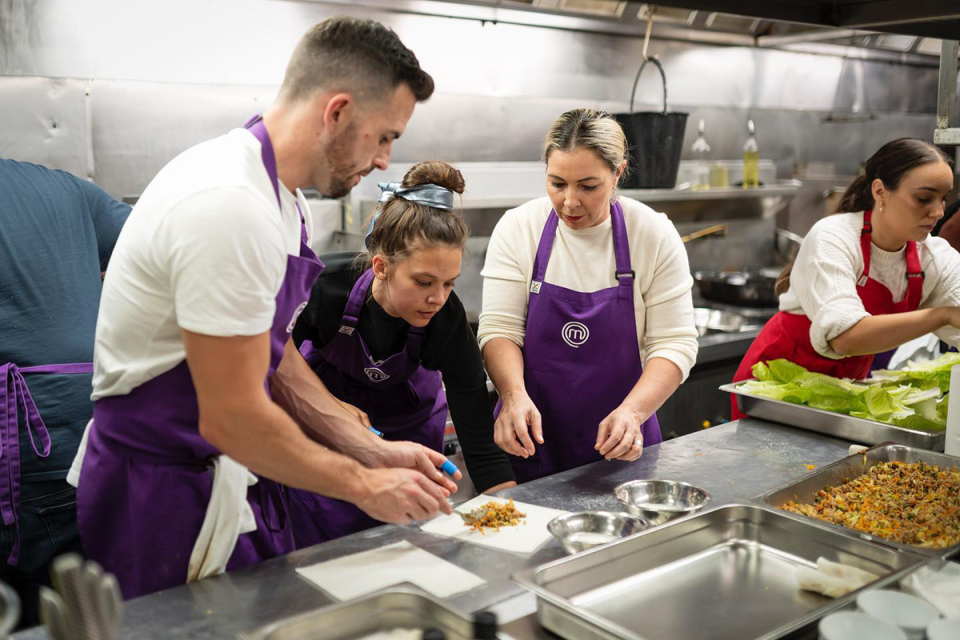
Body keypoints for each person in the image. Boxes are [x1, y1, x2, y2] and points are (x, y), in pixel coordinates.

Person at [70, 17, 461, 600]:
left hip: (222, 472)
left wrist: (371, 448)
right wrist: (362, 485)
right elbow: (232, 416)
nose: (384, 162)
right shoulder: (228, 205)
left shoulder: (281, 201)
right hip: (159, 492)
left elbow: (273, 358)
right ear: (337, 111)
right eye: (383, 137)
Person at [288, 160, 515, 545]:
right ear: (381, 267)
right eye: (424, 282)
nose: (437, 298)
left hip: (408, 438)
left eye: (449, 283)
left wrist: (512, 512)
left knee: (406, 547)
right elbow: (273, 366)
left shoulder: (447, 319)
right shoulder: (324, 290)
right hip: (326, 437)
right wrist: (330, 404)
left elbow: (477, 432)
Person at [477, 109, 699, 483]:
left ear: (617, 174)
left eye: (588, 186)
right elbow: (500, 328)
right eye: (557, 183)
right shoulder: (519, 228)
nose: (569, 201)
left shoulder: (652, 234)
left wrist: (633, 412)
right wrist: (512, 394)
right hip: (530, 440)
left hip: (620, 445)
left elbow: (675, 343)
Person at [731, 138, 960, 418]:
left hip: (842, 394)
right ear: (880, 191)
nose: (938, 212)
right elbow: (845, 337)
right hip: (774, 390)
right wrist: (942, 316)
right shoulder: (833, 237)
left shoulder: (932, 256)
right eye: (924, 198)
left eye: (944, 199)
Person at [0, 158, 130, 626]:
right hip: (87, 441)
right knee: (82, 603)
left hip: (25, 455)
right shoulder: (64, 186)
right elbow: (157, 250)